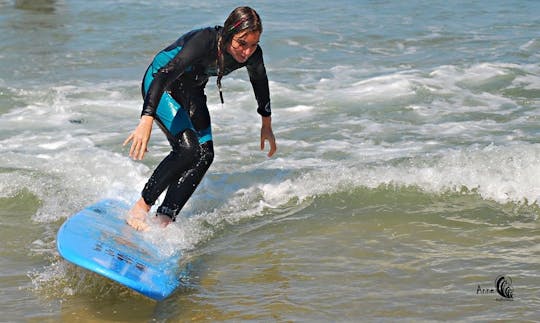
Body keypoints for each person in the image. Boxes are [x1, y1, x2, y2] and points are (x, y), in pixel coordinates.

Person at [123, 6, 276, 230]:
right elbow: (165, 74)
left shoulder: (251, 55)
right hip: (160, 84)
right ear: (228, 33)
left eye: (253, 45)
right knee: (187, 149)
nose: (246, 52)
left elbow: (260, 83)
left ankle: (165, 217)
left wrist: (266, 123)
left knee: (205, 154)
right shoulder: (204, 41)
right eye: (241, 43)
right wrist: (146, 118)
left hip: (192, 90)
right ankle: (139, 208)